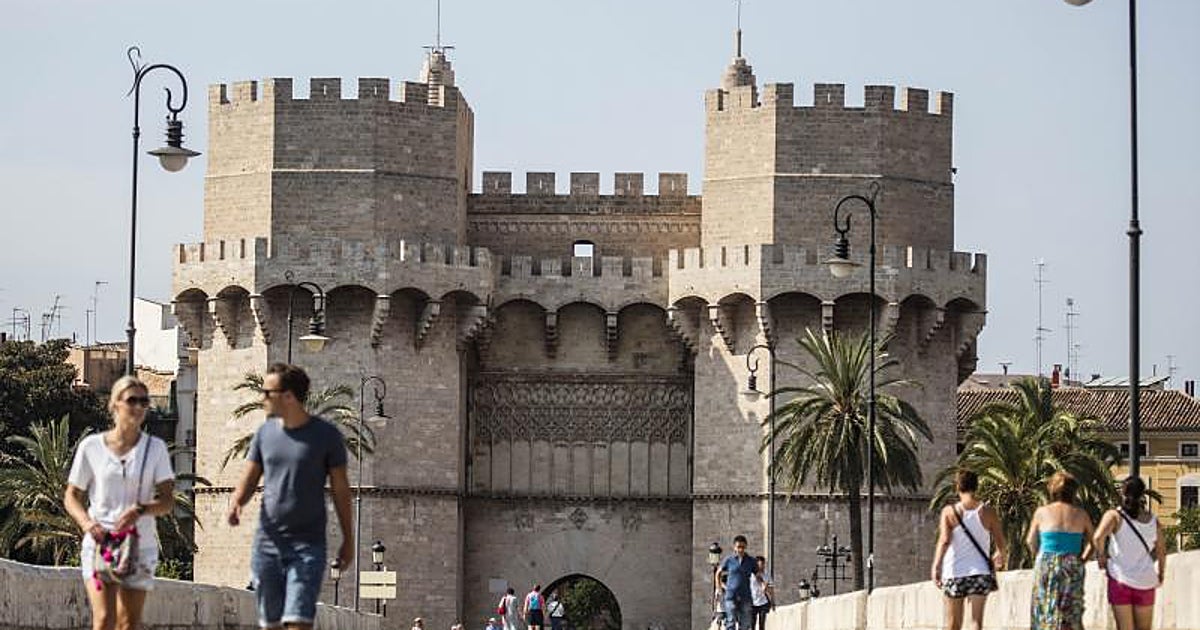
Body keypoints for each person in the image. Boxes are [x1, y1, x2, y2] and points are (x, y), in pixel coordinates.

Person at [227, 363, 355, 630]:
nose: (262, 398)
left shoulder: (326, 436)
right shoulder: (265, 434)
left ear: (288, 396)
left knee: (298, 621)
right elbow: (251, 476)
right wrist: (237, 502)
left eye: (267, 392)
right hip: (267, 542)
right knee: (271, 624)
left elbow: (341, 490)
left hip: (308, 545)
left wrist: (348, 539)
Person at [64, 375, 176, 630]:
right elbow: (71, 496)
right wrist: (87, 524)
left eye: (144, 402)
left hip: (139, 546)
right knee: (103, 620)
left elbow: (168, 501)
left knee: (128, 623)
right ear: (115, 404)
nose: (138, 407)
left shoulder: (155, 449)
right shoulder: (91, 447)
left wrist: (141, 510)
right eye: (132, 400)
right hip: (99, 543)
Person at [931, 469, 1007, 630]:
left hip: (954, 572)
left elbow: (944, 540)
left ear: (957, 487)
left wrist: (936, 566)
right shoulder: (988, 512)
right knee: (976, 623)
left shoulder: (949, 512)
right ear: (976, 486)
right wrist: (1000, 555)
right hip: (979, 572)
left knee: (953, 625)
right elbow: (1001, 541)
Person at [1094, 477, 1167, 630]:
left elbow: (1098, 537)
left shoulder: (1114, 516)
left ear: (1122, 492)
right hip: (1146, 581)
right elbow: (1161, 551)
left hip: (1120, 579)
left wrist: (1101, 557)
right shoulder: (1153, 521)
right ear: (1143, 495)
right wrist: (1160, 573)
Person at [1026, 471, 1094, 630]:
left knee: (1044, 608)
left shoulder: (1042, 512)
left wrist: (1039, 557)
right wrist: (1083, 558)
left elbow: (1030, 541)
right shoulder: (1081, 514)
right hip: (1072, 564)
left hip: (1046, 562)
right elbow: (1094, 541)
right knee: (1071, 610)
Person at [717, 535, 757, 630]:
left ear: (746, 546)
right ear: (734, 547)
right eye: (738, 547)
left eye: (743, 547)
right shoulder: (729, 560)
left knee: (745, 624)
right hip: (731, 596)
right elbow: (718, 573)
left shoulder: (751, 561)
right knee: (730, 622)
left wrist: (765, 585)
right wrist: (719, 588)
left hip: (745, 596)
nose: (741, 550)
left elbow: (758, 575)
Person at [749, 556, 774, 630]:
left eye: (763, 564)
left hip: (763, 602)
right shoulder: (750, 575)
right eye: (760, 564)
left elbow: (771, 590)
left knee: (762, 625)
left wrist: (773, 602)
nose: (762, 566)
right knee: (752, 624)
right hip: (752, 602)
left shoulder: (767, 575)